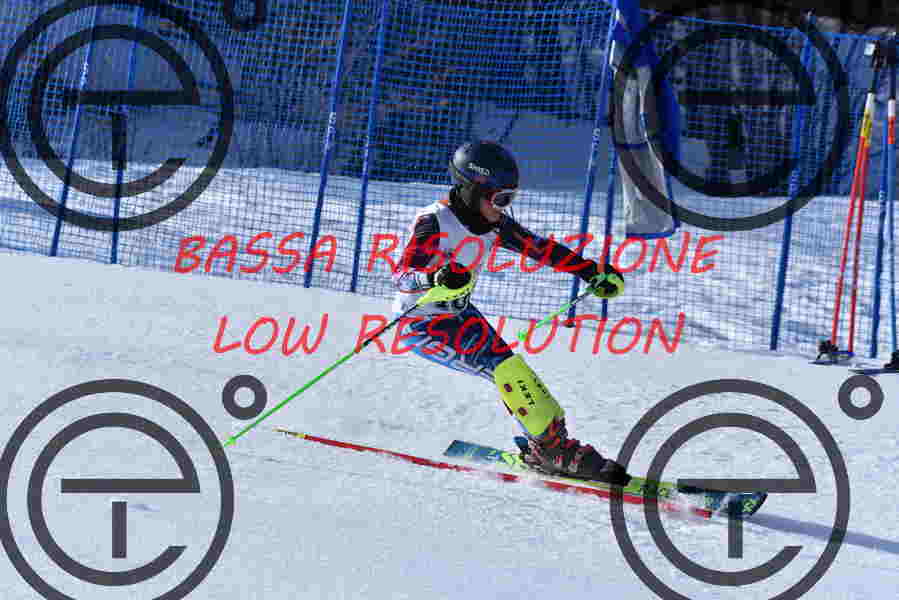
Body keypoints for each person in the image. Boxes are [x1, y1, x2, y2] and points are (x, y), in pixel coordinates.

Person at [391, 140, 630, 485]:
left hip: (460, 315)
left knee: (513, 371)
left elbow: (539, 248)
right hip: (421, 323)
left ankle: (546, 444)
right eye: (501, 199)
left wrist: (589, 271)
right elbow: (401, 274)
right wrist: (434, 276)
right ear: (473, 190)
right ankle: (550, 450)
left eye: (510, 198)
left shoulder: (492, 224)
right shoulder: (434, 221)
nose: (505, 208)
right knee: (505, 370)